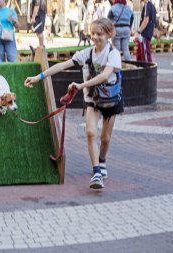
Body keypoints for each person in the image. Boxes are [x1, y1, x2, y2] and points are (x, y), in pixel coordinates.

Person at [24, 18, 122, 189]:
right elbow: (62, 65)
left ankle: (102, 160)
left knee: (105, 139)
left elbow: (105, 76)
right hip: (92, 100)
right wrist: (39, 77)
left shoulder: (113, 54)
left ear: (108, 34)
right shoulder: (87, 53)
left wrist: (80, 85)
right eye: (93, 33)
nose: (95, 37)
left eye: (99, 34)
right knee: (91, 132)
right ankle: (97, 172)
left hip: (111, 100)